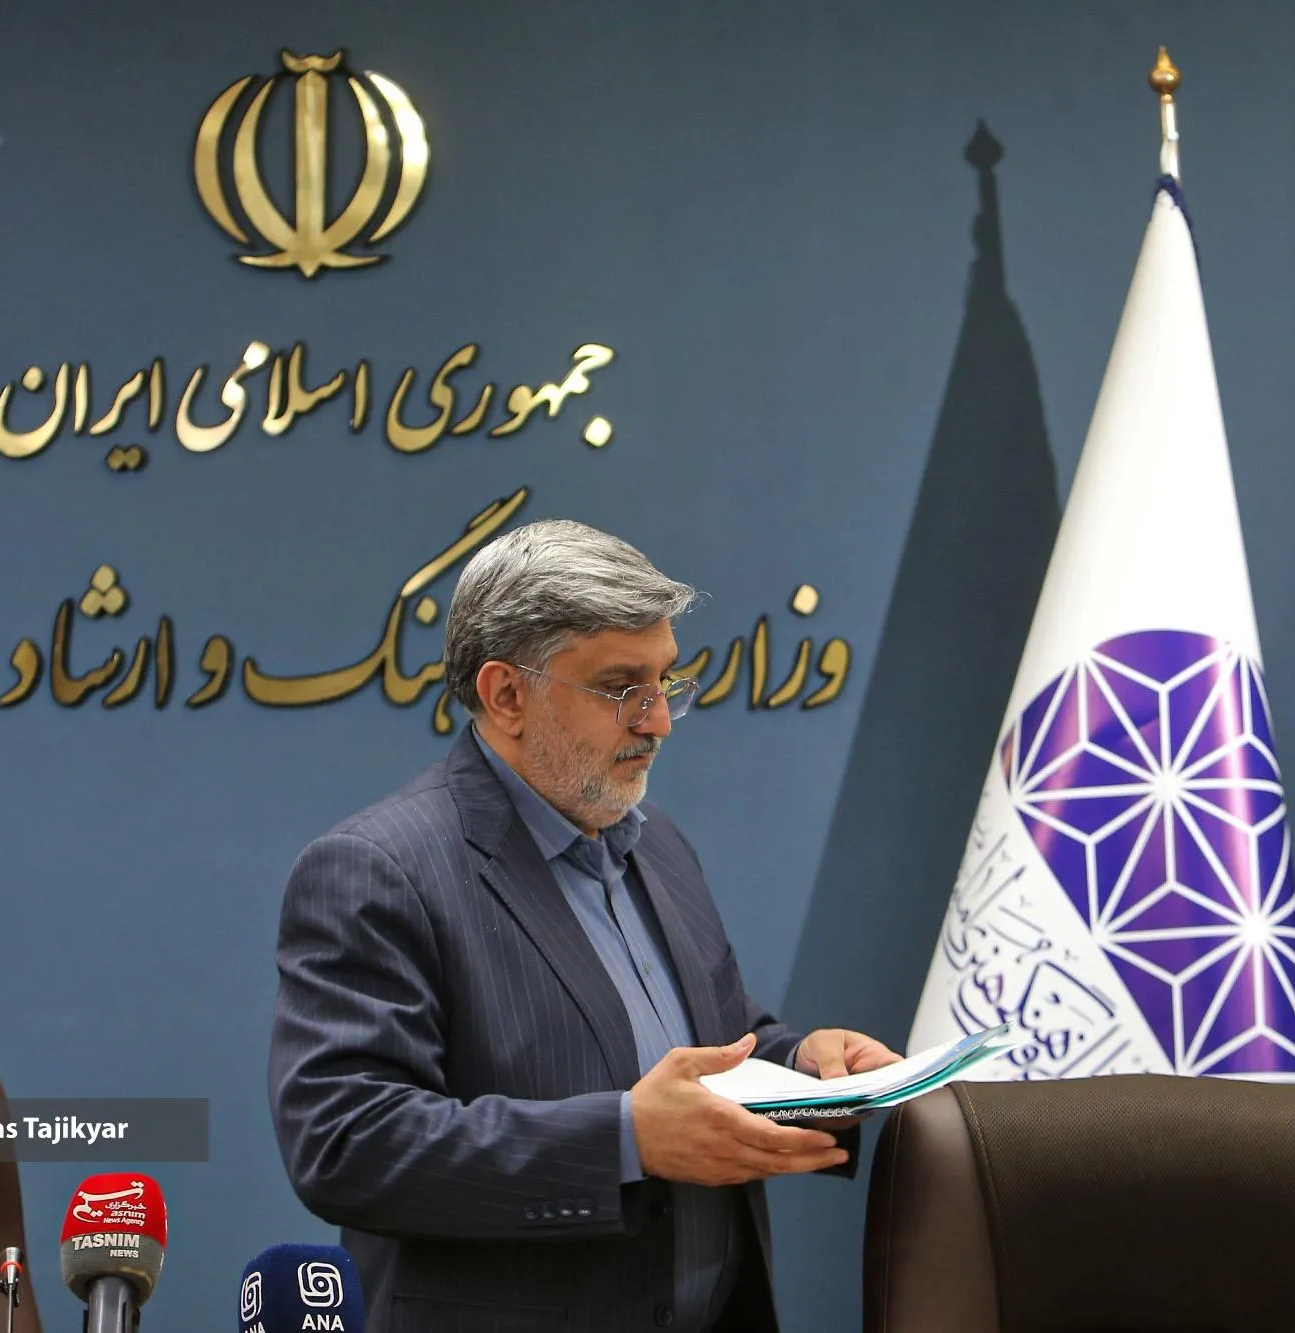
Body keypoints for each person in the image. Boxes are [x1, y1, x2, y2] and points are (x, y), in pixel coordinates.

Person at [269, 518, 901, 1333]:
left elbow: (715, 1044)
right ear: (507, 694)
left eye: (665, 680)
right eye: (621, 687)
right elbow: (347, 1141)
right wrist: (624, 1140)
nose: (658, 720)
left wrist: (807, 1071)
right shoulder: (379, 868)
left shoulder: (656, 840)